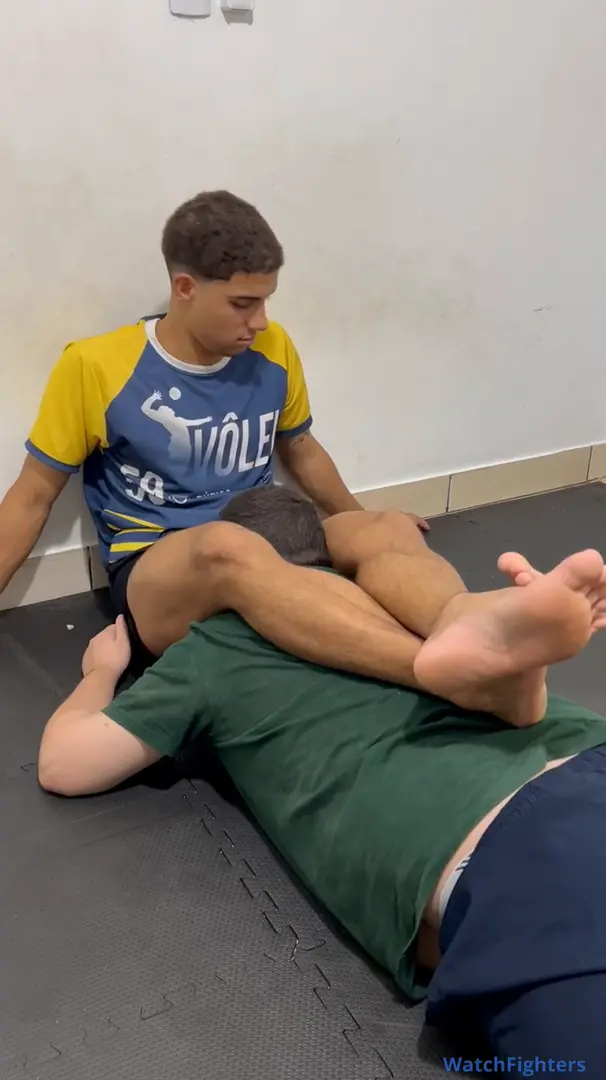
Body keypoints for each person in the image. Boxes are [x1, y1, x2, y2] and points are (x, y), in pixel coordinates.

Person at [39, 487, 606, 1072]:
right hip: (583, 757)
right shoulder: (395, 601)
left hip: (517, 844)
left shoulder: (213, 647)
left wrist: (100, 672)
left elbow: (66, 764)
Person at [0, 188, 425, 668]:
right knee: (226, 547)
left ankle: (466, 639)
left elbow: (301, 447)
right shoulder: (95, 366)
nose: (260, 321)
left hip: (267, 536)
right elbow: (32, 495)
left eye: (265, 302)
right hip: (159, 562)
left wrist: (362, 520)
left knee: (388, 530)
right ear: (185, 288)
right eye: (243, 303)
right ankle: (431, 667)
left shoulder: (272, 347)